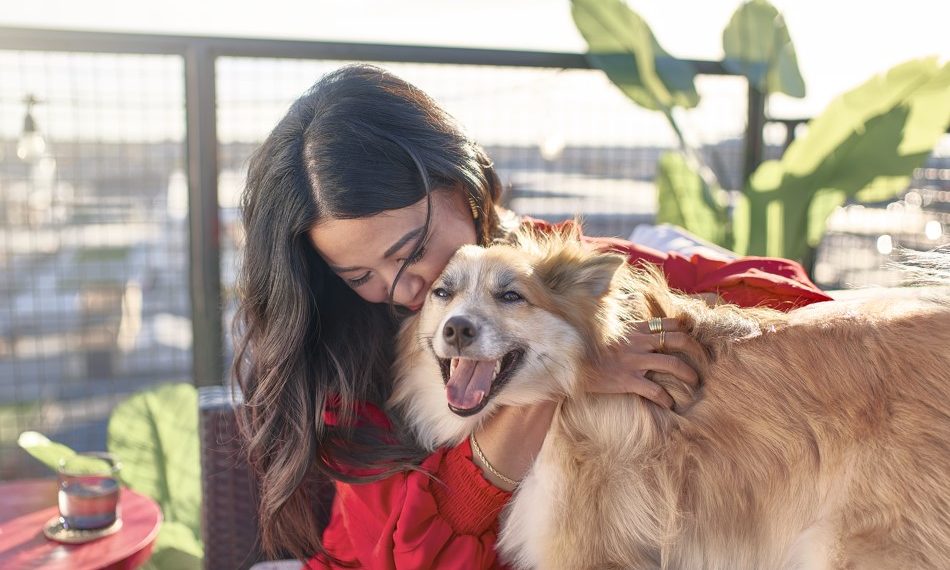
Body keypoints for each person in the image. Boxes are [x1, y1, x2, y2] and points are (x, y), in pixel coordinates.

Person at [233, 63, 832, 569]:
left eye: (411, 251)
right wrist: (563, 372)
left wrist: (603, 329)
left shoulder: (547, 267)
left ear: (465, 187)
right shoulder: (338, 356)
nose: (402, 290)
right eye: (359, 276)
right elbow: (396, 553)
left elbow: (796, 305)